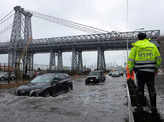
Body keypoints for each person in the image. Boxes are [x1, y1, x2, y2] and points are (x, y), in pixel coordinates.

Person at [128, 32, 161, 113]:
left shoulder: (135, 47)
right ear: (146, 38)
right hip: (150, 71)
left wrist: (130, 70)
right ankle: (154, 108)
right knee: (152, 89)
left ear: (138, 38)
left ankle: (140, 108)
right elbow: (158, 58)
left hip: (140, 72)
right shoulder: (152, 46)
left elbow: (131, 60)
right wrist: (156, 67)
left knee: (140, 89)